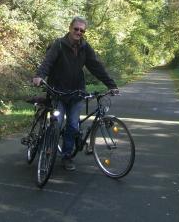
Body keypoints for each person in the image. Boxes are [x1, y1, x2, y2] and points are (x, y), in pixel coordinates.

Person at [33, 16, 119, 171]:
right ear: (70, 28)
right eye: (76, 29)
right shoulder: (58, 44)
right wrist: (40, 76)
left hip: (76, 93)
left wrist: (111, 85)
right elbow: (48, 62)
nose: (79, 32)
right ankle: (48, 150)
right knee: (56, 123)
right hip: (57, 92)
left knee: (73, 125)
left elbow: (96, 67)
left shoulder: (85, 48)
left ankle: (66, 156)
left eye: (82, 30)